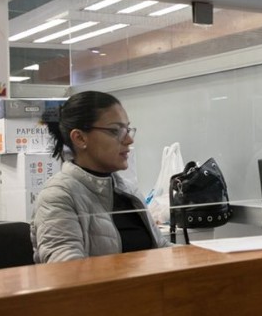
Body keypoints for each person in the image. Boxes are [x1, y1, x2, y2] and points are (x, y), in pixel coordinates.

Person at [31, 91, 170, 263]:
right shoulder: (58, 196)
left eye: (127, 130)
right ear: (80, 138)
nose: (129, 140)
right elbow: (67, 269)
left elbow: (162, 248)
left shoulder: (128, 191)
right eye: (115, 131)